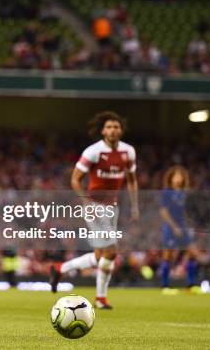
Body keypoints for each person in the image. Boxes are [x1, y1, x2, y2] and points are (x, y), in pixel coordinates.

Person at [49, 111, 139, 309]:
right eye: (109, 127)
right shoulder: (94, 151)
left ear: (121, 130)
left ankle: (60, 268)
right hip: (95, 206)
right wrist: (86, 204)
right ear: (102, 131)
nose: (113, 130)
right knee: (112, 251)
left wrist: (134, 205)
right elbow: (75, 179)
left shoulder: (128, 152)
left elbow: (132, 181)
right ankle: (100, 298)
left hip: (112, 208)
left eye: (116, 127)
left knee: (101, 255)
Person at [159, 165, 199, 293]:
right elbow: (163, 212)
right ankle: (165, 286)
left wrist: (189, 224)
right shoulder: (166, 193)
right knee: (168, 255)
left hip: (183, 227)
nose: (178, 178)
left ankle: (190, 285)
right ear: (171, 178)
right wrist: (174, 227)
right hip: (170, 227)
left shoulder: (185, 194)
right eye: (176, 176)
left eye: (180, 176)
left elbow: (187, 212)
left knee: (192, 253)